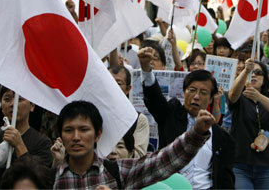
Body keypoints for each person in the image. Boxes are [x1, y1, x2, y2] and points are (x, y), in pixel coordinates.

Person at [51, 100, 215, 189]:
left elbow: (164, 161)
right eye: (69, 130)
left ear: (98, 134)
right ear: (60, 135)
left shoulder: (117, 173)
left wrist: (196, 133)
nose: (76, 137)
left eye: (84, 129)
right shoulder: (49, 179)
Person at [139, 47, 235, 189]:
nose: (196, 96)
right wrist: (146, 67)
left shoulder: (221, 137)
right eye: (192, 90)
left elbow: (226, 180)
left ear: (210, 99)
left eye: (203, 92)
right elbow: (154, 99)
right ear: (184, 92)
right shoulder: (171, 114)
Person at [0, 87, 52, 189]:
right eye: (7, 99)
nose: (12, 104)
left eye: (19, 100)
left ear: (32, 106)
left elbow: (42, 181)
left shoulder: (42, 143)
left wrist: (19, 145)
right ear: (1, 106)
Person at [227, 59, 269, 189]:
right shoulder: (239, 96)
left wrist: (258, 97)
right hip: (240, 164)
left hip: (268, 165)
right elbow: (232, 95)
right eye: (250, 72)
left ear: (265, 79)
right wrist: (246, 70)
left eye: (258, 72)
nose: (253, 75)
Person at [109, 65, 149, 158]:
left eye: (118, 83)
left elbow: (138, 156)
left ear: (128, 89)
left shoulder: (139, 120)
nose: (112, 86)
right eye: (108, 82)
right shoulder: (92, 115)